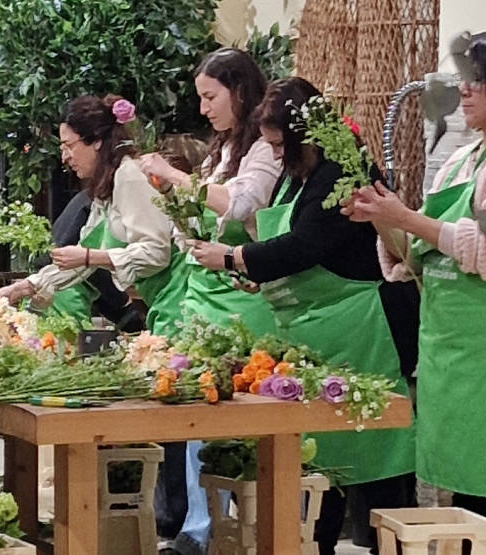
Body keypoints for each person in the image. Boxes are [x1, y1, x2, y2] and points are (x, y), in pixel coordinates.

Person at [345, 31, 486, 553]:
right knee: (465, 483)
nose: (463, 92)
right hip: (450, 337)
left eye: (476, 81)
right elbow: (415, 254)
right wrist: (382, 220)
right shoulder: (466, 157)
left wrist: (408, 218)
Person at [189, 77, 417, 554]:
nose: (273, 154)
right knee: (319, 464)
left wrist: (234, 257)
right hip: (314, 334)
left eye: (277, 143)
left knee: (374, 457)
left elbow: (307, 244)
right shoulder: (299, 174)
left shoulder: (341, 171)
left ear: (303, 136)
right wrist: (260, 277)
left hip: (359, 327)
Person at [139, 49, 281, 555]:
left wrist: (176, 178)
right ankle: (200, 529)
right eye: (199, 97)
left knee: (243, 416)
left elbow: (241, 204)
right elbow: (199, 215)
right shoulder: (221, 150)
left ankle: (249, 528)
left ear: (240, 92)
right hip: (203, 296)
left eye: (210, 96)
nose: (203, 108)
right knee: (201, 409)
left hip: (243, 298)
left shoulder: (263, 150)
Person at [0, 95, 179, 330]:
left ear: (96, 140)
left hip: (177, 303)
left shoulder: (130, 175)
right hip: (160, 303)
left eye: (69, 146)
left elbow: (156, 252)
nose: (65, 157)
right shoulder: (108, 186)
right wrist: (20, 288)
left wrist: (90, 257)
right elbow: (81, 261)